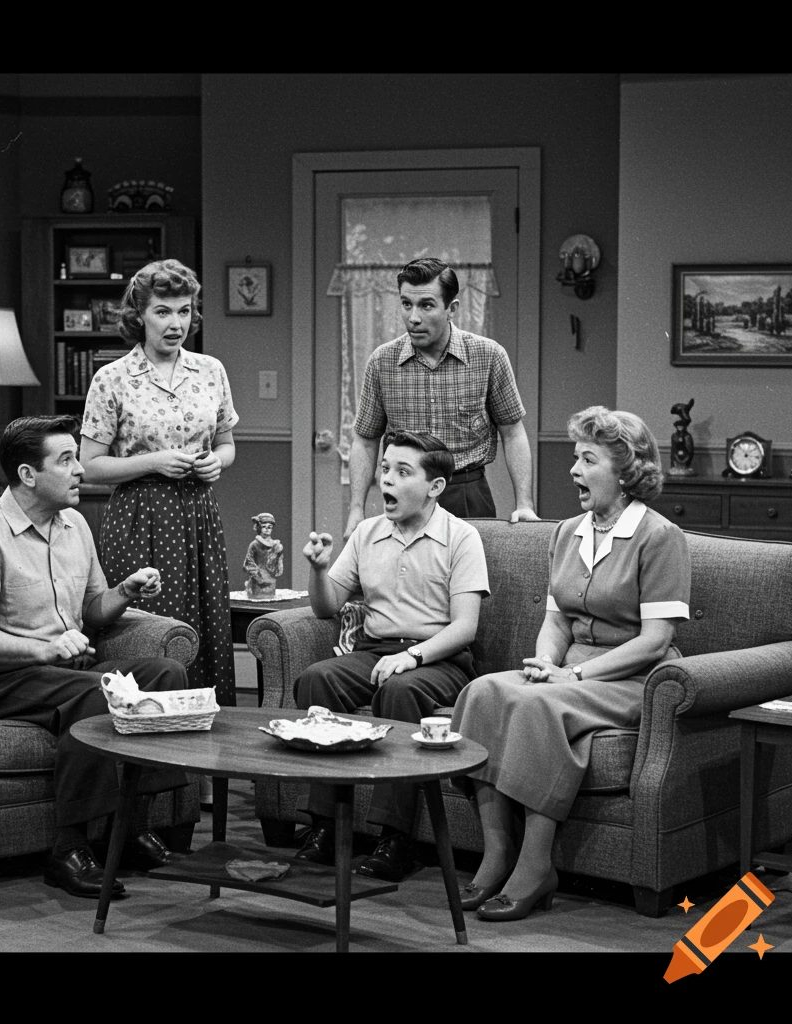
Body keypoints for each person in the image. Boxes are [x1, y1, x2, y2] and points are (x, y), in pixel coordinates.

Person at [450, 406, 690, 921]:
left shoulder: (659, 537)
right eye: (574, 459)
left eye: (587, 460)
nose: (574, 472)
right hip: (572, 670)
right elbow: (557, 621)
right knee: (484, 692)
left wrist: (572, 676)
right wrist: (544, 662)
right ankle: (497, 855)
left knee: (542, 707)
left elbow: (655, 641)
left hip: (633, 676)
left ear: (625, 471)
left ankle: (536, 867)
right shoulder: (568, 533)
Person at [0, 415, 190, 899]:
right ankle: (70, 847)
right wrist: (44, 647)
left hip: (69, 667)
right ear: (28, 475)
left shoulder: (75, 523)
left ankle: (135, 826)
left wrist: (127, 588)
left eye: (77, 457)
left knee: (167, 673)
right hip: (9, 676)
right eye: (67, 459)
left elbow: (95, 611)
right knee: (98, 694)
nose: (81, 469)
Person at [294, 430, 489, 882]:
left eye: (403, 472)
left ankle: (395, 839)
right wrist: (319, 571)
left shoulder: (461, 537)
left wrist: (415, 657)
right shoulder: (367, 533)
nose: (388, 481)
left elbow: (465, 627)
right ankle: (324, 828)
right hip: (374, 650)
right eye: (385, 469)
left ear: (435, 486)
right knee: (316, 680)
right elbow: (327, 608)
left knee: (399, 690)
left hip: (439, 659)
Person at [80, 259, 238, 709]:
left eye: (184, 311)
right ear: (139, 315)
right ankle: (142, 738)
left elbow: (227, 445)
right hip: (140, 517)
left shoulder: (211, 370)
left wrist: (216, 464)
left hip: (199, 514)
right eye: (163, 312)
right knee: (151, 626)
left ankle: (205, 746)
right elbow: (89, 466)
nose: (176, 324)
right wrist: (155, 462)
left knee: (205, 624)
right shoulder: (111, 378)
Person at [345, 256, 539, 539]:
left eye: (426, 305)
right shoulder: (382, 362)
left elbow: (512, 433)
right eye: (406, 304)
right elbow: (364, 440)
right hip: (406, 494)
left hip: (466, 493)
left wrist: (524, 503)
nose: (413, 317)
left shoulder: (488, 356)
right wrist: (355, 510)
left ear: (452, 308)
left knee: (469, 580)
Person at [243, 512, 283, 599]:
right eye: (264, 527)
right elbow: (248, 562)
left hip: (270, 579)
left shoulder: (275, 545)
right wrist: (258, 576)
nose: (267, 529)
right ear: (259, 527)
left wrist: (277, 555)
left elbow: (276, 566)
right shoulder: (254, 544)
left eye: (269, 527)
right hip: (258, 580)